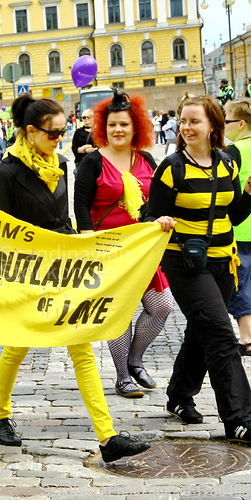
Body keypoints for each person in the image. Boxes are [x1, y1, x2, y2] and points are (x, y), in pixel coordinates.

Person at [0, 93, 151, 463]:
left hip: (63, 267)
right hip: (28, 272)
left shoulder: (60, 163)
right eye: (53, 133)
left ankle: (108, 438)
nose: (60, 139)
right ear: (30, 132)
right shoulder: (8, 171)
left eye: (63, 131)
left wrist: (83, 245)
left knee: (81, 346)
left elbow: (65, 218)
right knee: (17, 344)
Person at [146, 95, 251, 442]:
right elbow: (149, 214)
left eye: (194, 121)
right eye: (183, 120)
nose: (186, 127)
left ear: (213, 126)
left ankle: (178, 396)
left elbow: (233, 215)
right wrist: (158, 220)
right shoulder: (172, 167)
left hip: (224, 260)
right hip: (185, 263)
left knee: (201, 330)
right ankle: (240, 418)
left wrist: (249, 195)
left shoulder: (227, 165)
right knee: (221, 333)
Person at [74, 89, 173, 398]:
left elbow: (155, 201)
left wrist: (160, 220)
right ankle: (121, 376)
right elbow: (80, 206)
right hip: (107, 250)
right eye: (113, 124)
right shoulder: (93, 162)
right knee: (118, 312)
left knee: (161, 306)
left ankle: (134, 360)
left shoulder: (144, 159)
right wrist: (88, 242)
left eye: (124, 125)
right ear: (104, 128)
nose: (118, 130)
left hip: (142, 248)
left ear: (136, 128)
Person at [224, 100, 251, 356]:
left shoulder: (234, 151)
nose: (224, 126)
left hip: (241, 227)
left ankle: (246, 337)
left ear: (241, 124)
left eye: (227, 121)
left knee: (239, 284)